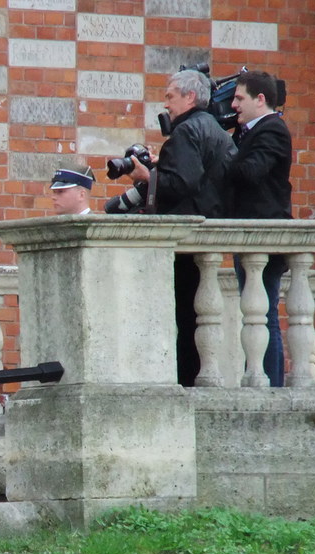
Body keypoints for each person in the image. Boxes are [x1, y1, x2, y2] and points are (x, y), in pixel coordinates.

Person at [129, 69, 237, 386]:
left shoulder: (187, 131)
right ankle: (191, 379)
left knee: (184, 319)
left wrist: (148, 177)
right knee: (193, 317)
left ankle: (185, 382)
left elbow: (182, 184)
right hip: (205, 234)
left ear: (189, 97)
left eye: (170, 96)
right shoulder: (214, 128)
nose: (166, 104)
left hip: (186, 238)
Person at [225, 70, 293, 387]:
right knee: (257, 316)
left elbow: (251, 172)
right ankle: (263, 379)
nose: (234, 105)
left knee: (265, 318)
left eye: (239, 98)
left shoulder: (273, 129)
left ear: (259, 99)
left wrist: (224, 153)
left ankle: (272, 385)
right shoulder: (250, 131)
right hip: (250, 236)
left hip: (265, 237)